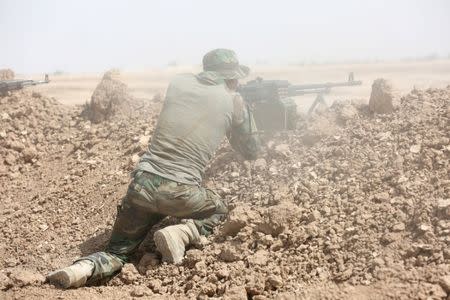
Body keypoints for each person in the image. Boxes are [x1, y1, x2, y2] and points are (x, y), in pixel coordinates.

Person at [46, 48, 261, 288]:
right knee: (220, 209)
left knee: (117, 253)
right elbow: (251, 149)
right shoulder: (234, 99)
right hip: (180, 192)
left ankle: (79, 269)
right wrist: (244, 108)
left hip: (142, 186)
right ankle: (182, 233)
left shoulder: (179, 82)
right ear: (232, 77)